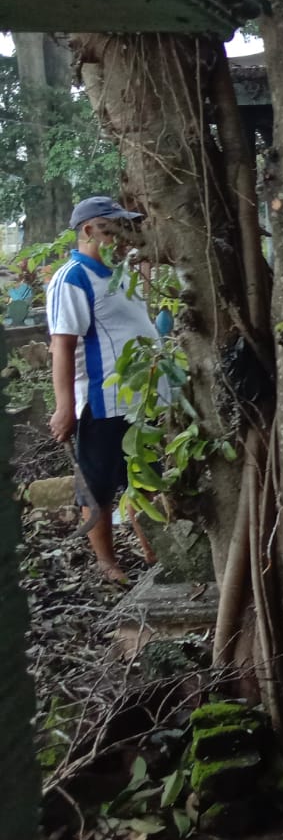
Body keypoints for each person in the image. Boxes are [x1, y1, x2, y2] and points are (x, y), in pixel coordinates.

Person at [46, 196, 159, 582]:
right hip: (102, 400)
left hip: (141, 399)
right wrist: (64, 407)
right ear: (89, 231)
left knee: (145, 474)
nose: (123, 239)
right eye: (114, 230)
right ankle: (107, 562)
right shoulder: (72, 278)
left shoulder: (119, 272)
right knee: (97, 485)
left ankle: (152, 551)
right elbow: (61, 346)